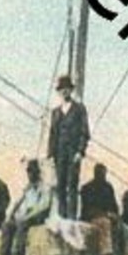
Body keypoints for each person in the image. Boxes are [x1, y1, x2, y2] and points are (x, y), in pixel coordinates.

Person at [47, 75, 90, 219]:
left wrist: (80, 151)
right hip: (60, 153)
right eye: (61, 90)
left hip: (73, 152)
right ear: (59, 92)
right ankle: (62, 215)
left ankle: (71, 217)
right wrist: (51, 155)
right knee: (60, 185)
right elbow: (53, 134)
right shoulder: (56, 112)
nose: (64, 92)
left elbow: (85, 132)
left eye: (66, 89)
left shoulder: (79, 109)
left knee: (72, 184)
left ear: (70, 90)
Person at [0, 159, 53, 255]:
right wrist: (10, 215)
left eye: (32, 172)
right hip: (26, 214)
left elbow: (45, 206)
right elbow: (18, 202)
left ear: (37, 172)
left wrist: (28, 215)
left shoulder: (45, 187)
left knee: (22, 224)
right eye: (28, 172)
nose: (30, 175)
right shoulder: (28, 187)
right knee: (7, 225)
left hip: (38, 214)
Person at [79, 162, 121, 255]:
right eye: (100, 173)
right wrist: (105, 214)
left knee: (122, 228)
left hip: (107, 216)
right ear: (95, 173)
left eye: (103, 174)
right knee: (104, 223)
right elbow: (86, 209)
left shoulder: (108, 187)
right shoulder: (87, 188)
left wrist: (114, 215)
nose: (102, 176)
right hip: (92, 218)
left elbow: (114, 206)